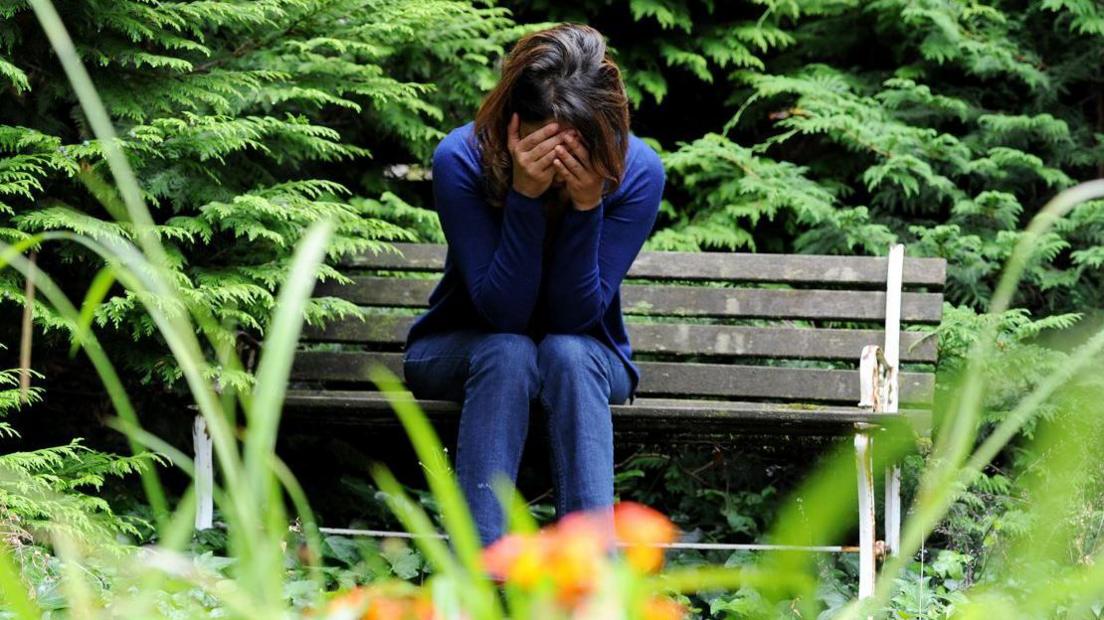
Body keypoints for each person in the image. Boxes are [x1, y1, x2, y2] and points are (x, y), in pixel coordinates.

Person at [402, 22, 666, 548]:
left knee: (565, 352)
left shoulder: (636, 170)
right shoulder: (461, 159)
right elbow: (503, 314)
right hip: (460, 347)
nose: (562, 157)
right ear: (514, 123)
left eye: (579, 142)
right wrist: (524, 197)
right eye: (548, 140)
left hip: (591, 356)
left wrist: (588, 205)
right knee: (508, 351)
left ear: (606, 123)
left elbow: (575, 318)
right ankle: (481, 577)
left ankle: (592, 583)